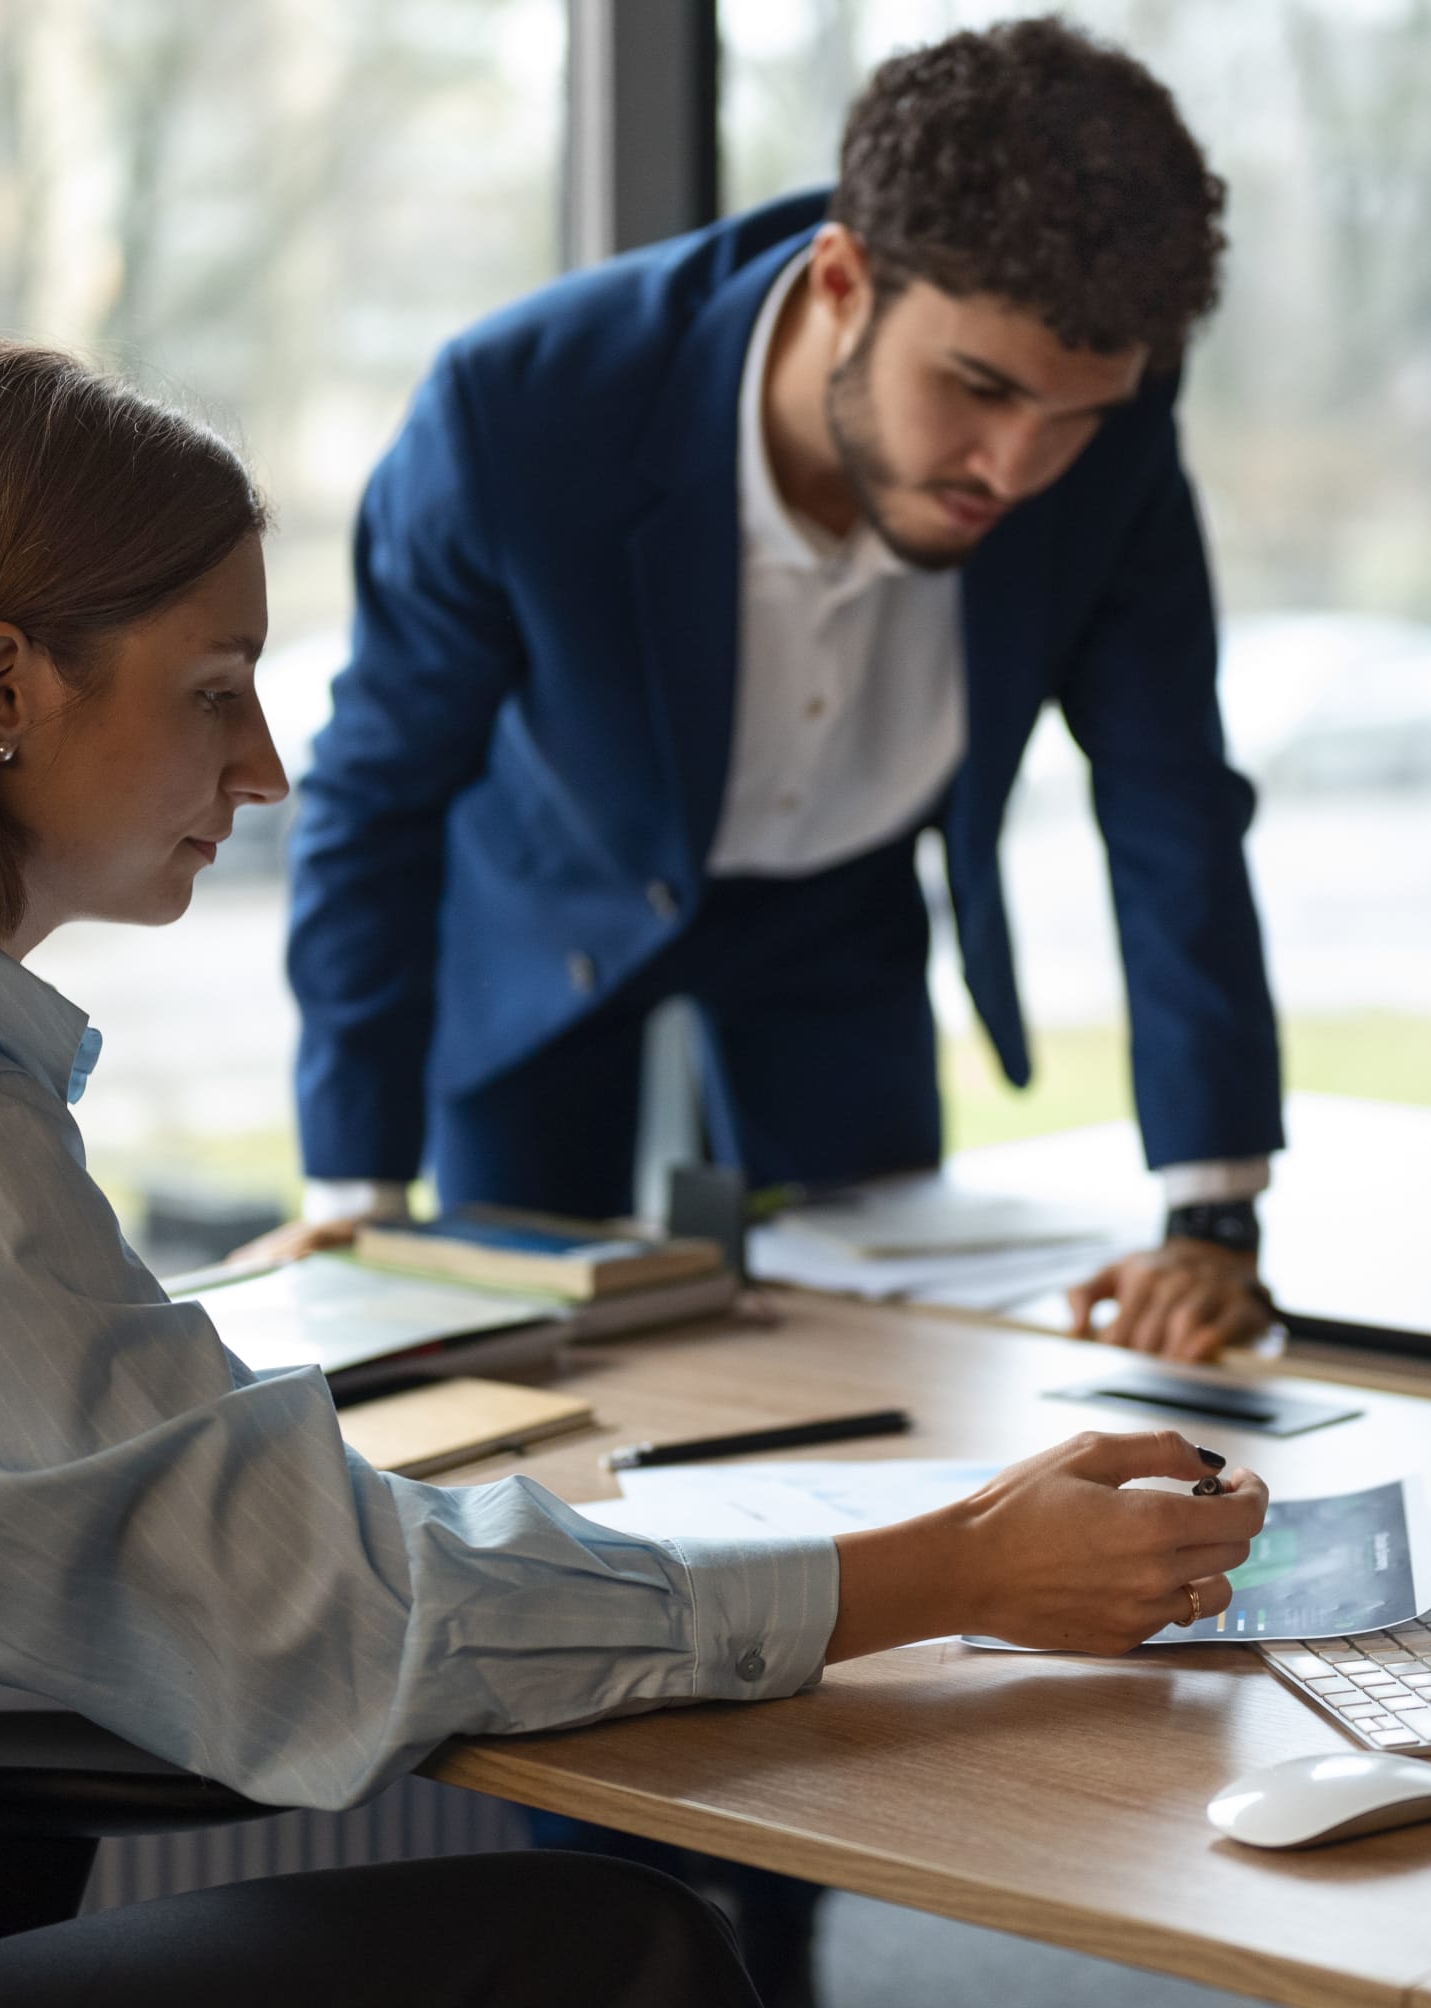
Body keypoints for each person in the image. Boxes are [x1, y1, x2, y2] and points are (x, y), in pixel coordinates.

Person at [0, 331, 1267, 2008]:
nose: (263, 766)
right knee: (612, 1956)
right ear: (2, 691)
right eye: (214, 686)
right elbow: (359, 1624)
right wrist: (953, 1569)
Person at [268, 18, 1285, 1366]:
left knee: (875, 1371)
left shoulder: (1112, 440)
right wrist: (355, 1193)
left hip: (839, 920)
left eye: (1074, 415)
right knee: (504, 1368)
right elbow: (373, 801)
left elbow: (1171, 799)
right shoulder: (518, 416)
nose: (1019, 465)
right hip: (547, 908)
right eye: (976, 388)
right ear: (844, 280)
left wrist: (1211, 1214)